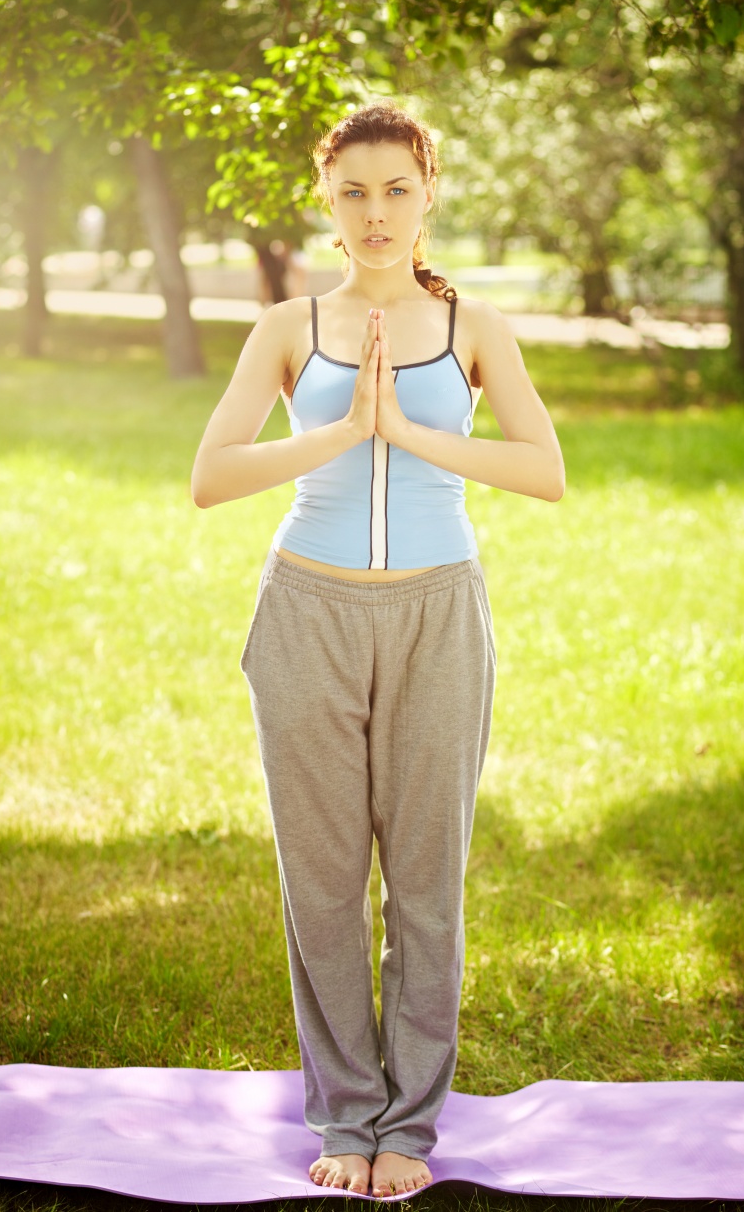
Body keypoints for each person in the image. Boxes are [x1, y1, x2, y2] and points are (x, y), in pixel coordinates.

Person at [191, 100, 565, 1199]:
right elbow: (211, 477)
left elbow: (542, 470)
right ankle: (344, 1115)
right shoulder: (285, 328)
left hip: (438, 616)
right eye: (351, 189)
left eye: (396, 188)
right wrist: (345, 431)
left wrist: (406, 431)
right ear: (324, 194)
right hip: (306, 611)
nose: (374, 212)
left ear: (429, 192)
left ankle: (408, 1125)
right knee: (319, 882)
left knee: (423, 883)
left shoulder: (474, 327)